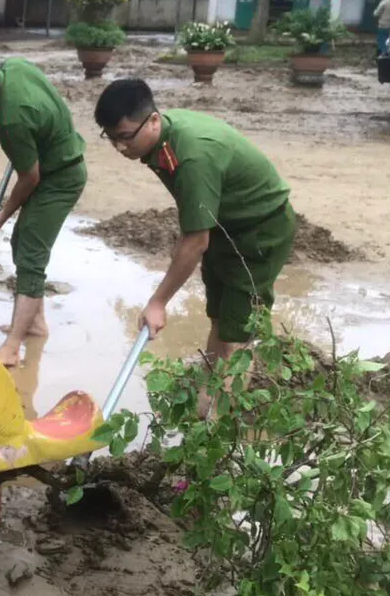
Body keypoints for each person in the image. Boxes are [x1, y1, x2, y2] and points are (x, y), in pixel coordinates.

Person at [93, 78, 296, 377]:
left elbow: (196, 242)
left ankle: (225, 415)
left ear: (152, 120)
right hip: (224, 227)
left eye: (124, 137)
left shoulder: (192, 156)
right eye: (110, 138)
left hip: (260, 231)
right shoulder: (160, 137)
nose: (119, 147)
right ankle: (207, 404)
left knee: (237, 334)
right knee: (219, 317)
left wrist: (158, 302)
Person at [0, 40, 87, 368]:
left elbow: (30, 177)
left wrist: (1, 216)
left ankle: (12, 347)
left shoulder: (11, 119)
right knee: (23, 241)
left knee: (31, 254)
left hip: (59, 177)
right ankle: (35, 324)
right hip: (58, 159)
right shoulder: (17, 66)